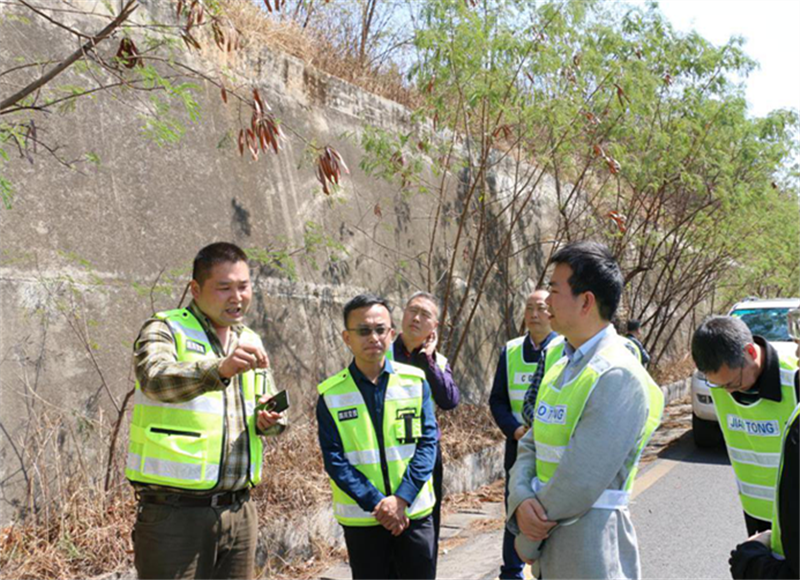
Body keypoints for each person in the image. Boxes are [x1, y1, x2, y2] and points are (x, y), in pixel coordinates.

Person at [126, 242, 286, 580]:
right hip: (175, 515)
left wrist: (270, 420)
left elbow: (267, 405)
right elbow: (154, 377)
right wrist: (219, 369)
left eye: (243, 286)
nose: (237, 297)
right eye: (224, 287)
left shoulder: (250, 338)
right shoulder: (165, 328)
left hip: (241, 511)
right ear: (195, 289)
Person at [507, 241, 664, 579]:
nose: (545, 301)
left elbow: (579, 481)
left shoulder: (618, 374)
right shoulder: (560, 364)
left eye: (554, 289)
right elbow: (531, 444)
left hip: (591, 551)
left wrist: (528, 538)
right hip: (552, 545)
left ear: (586, 301)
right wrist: (520, 499)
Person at [316, 294, 438, 580]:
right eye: (363, 330)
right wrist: (378, 503)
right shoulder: (330, 394)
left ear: (391, 333)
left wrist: (402, 499)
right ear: (347, 338)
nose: (373, 337)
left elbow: (427, 444)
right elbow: (334, 461)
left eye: (380, 329)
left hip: (414, 515)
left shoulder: (415, 382)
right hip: (364, 520)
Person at [691, 316, 799, 536]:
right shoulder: (720, 382)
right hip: (755, 510)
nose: (728, 392)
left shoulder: (794, 376)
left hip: (794, 513)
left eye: (732, 383)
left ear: (750, 352)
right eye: (718, 385)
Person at [489, 288, 565, 580]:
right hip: (519, 443)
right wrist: (515, 429)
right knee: (516, 505)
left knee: (549, 508)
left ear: (553, 311)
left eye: (542, 308)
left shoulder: (565, 349)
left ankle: (549, 568)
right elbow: (497, 400)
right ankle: (511, 571)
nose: (534, 314)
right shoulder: (509, 351)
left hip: (552, 446)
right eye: (529, 308)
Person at [385, 291, 460, 567]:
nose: (416, 318)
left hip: (425, 456)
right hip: (385, 454)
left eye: (425, 314)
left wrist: (428, 362)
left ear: (435, 326)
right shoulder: (380, 355)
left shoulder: (436, 362)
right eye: (411, 310)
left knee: (424, 533)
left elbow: (449, 400)